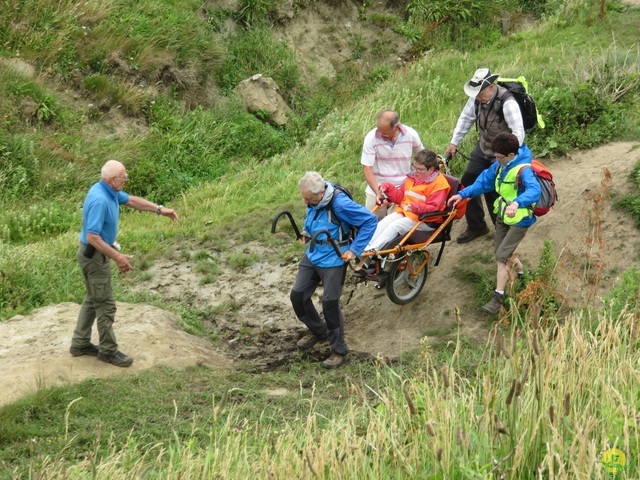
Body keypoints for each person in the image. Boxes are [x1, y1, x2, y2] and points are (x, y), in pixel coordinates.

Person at [70, 160, 178, 367]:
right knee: (105, 304)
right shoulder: (100, 200)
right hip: (94, 256)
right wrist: (116, 256)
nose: (127, 179)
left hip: (94, 255)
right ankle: (108, 351)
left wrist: (160, 209)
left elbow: (133, 202)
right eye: (124, 177)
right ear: (112, 180)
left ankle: (80, 343)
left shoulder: (107, 190)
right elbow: (93, 237)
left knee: (94, 298)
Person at [291, 172, 377, 369]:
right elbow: (312, 216)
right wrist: (306, 231)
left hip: (334, 257)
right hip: (313, 253)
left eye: (308, 199)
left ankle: (339, 350)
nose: (305, 202)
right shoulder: (315, 199)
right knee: (298, 295)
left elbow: (369, 221)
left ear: (320, 194)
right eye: (304, 197)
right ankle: (318, 329)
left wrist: (354, 249)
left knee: (330, 302)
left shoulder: (340, 204)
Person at [448, 132, 540, 314]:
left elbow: (534, 191)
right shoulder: (499, 166)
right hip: (503, 216)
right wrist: (463, 195)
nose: (496, 159)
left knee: (501, 257)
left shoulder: (524, 170)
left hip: (521, 219)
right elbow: (482, 183)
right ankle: (525, 276)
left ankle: (498, 298)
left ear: (511, 155)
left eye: (499, 157)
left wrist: (517, 203)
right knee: (504, 252)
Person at [445, 68, 525, 244]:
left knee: (493, 190)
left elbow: (518, 132)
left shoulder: (507, 102)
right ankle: (477, 226)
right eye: (476, 93)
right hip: (484, 148)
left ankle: (501, 231)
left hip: (502, 154)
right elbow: (465, 119)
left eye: (481, 92)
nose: (478, 97)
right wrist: (454, 143)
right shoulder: (475, 100)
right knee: (467, 181)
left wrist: (508, 158)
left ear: (491, 86)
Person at [358, 149, 450, 259]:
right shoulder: (412, 178)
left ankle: (372, 252)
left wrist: (416, 207)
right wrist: (388, 187)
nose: (415, 171)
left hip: (425, 220)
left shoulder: (439, 185)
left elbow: (435, 208)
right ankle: (365, 247)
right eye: (414, 167)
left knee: (395, 226)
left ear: (431, 170)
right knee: (385, 222)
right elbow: (401, 197)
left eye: (420, 169)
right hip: (408, 213)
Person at [361, 110, 424, 218]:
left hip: (401, 190)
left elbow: (423, 157)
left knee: (394, 228)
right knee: (371, 225)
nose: (380, 135)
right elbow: (367, 169)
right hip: (377, 189)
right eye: (379, 131)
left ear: (396, 127)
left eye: (385, 133)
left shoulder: (411, 134)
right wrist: (378, 193)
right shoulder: (371, 137)